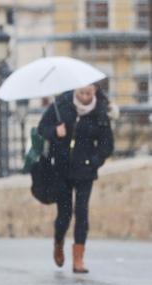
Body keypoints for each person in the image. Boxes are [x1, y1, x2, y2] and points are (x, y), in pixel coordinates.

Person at [38, 84, 114, 273]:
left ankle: (78, 258)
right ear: (75, 91)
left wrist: (94, 161)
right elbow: (41, 129)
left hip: (85, 170)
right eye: (81, 93)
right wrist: (56, 132)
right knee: (64, 214)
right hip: (62, 169)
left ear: (94, 91)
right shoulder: (61, 105)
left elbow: (107, 144)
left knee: (82, 212)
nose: (84, 97)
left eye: (88, 93)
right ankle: (58, 242)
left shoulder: (100, 112)